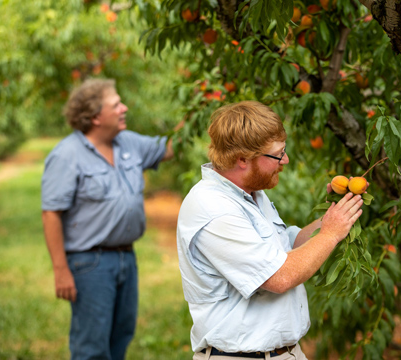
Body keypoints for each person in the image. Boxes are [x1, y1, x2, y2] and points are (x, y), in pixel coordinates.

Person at [176, 100, 364, 359]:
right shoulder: (213, 209)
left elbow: (289, 246)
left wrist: (335, 214)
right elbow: (280, 276)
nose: (285, 160)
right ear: (242, 159)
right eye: (278, 154)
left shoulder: (251, 194)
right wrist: (332, 233)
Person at [41, 78, 177, 360]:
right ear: (95, 116)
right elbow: (51, 213)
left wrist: (202, 106)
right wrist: (60, 270)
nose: (123, 108)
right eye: (116, 104)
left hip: (127, 257)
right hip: (90, 263)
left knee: (121, 336)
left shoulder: (128, 142)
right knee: (92, 345)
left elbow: (170, 147)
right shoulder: (67, 155)